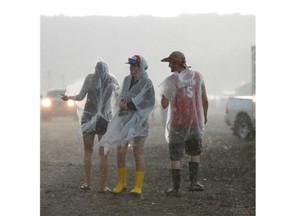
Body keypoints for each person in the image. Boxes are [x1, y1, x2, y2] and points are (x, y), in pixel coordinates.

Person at [99, 55, 155, 196]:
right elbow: (122, 96)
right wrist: (121, 103)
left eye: (135, 66)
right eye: (131, 66)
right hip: (124, 120)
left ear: (141, 67)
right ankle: (122, 182)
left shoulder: (147, 83)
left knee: (138, 152)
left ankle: (138, 186)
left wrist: (129, 105)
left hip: (139, 122)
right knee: (120, 151)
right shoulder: (126, 79)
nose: (132, 69)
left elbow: (149, 103)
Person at [61, 59, 120, 192]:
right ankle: (103, 186)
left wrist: (69, 98)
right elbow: (118, 97)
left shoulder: (90, 79)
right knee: (104, 153)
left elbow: (81, 96)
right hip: (104, 119)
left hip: (88, 116)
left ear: (95, 70)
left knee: (88, 151)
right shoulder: (111, 80)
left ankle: (88, 183)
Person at [159, 51, 208, 196]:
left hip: (178, 122)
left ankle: (176, 188)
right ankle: (194, 183)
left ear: (176, 63)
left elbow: (164, 104)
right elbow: (204, 99)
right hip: (195, 121)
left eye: (170, 63)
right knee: (194, 152)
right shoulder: (198, 76)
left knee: (175, 155)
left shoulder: (171, 80)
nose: (168, 65)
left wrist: (164, 92)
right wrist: (204, 116)